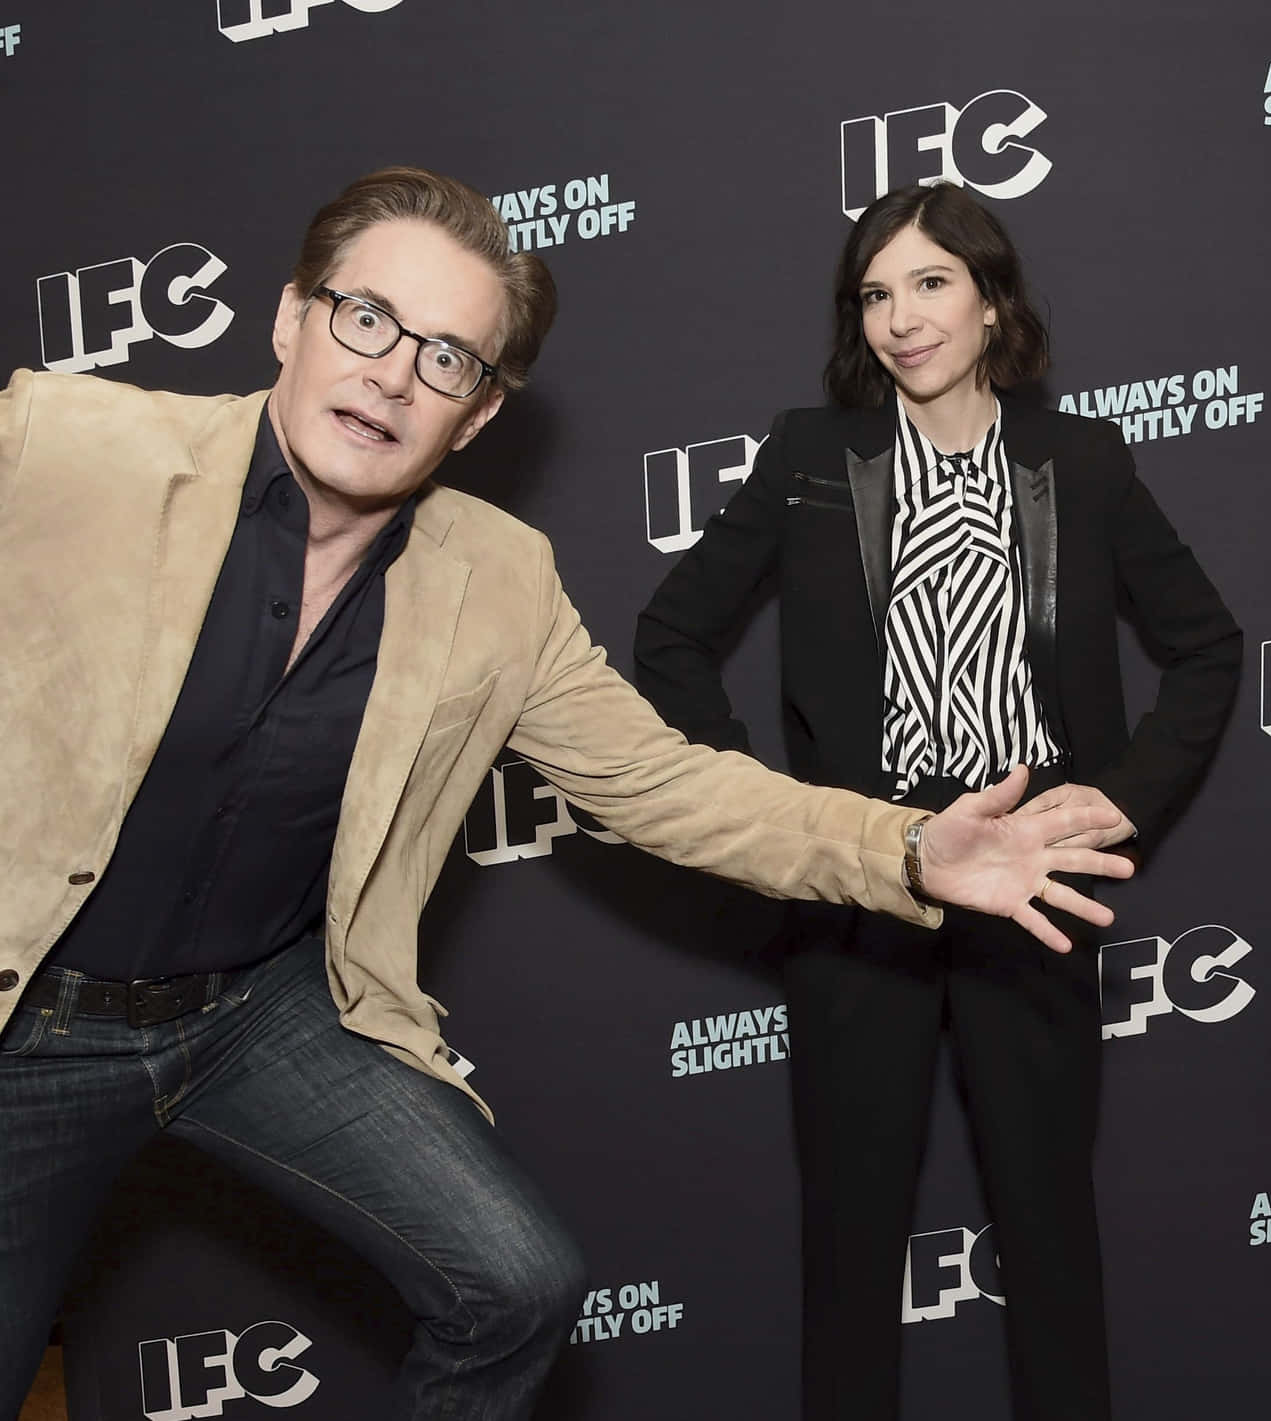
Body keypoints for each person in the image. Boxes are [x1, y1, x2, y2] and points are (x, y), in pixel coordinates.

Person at [0, 166, 1139, 1420]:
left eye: (446, 358)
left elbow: (664, 783)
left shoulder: (498, 580)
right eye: (365, 317)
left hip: (258, 1015)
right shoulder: (67, 448)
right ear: (290, 320)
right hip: (34, 1013)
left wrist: (912, 846)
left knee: (518, 1280)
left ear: (478, 416)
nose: (390, 373)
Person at [633, 182, 1240, 1420]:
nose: (901, 319)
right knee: (852, 1250)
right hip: (874, 883)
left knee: (1052, 1236)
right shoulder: (811, 456)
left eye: (929, 283)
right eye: (874, 294)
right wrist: (782, 816)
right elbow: (671, 634)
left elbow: (1210, 649)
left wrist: (1114, 802)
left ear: (992, 299)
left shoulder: (1081, 458)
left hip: (1036, 893)